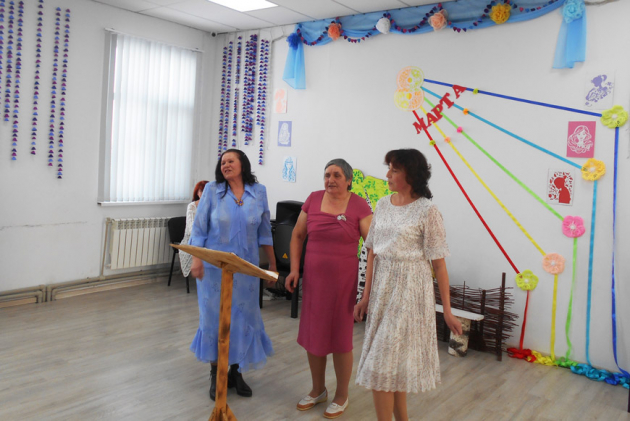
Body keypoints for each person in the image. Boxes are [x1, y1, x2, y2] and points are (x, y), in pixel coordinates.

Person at [354, 149, 462, 421]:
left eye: (394, 170)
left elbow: (439, 265)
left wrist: (447, 311)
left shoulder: (427, 210)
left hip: (411, 291)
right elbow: (372, 251)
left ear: (411, 175)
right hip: (383, 289)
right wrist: (365, 296)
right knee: (392, 364)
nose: (387, 174)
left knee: (381, 364)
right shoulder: (382, 204)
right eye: (388, 168)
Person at [286, 158, 372, 419]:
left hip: (343, 284)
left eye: (336, 175)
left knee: (340, 338)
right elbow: (297, 235)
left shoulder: (359, 205)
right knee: (315, 334)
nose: (330, 180)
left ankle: (341, 395)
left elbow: (373, 247)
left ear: (348, 180)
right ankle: (318, 389)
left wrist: (366, 292)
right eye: (327, 175)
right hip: (314, 282)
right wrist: (294, 269)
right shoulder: (313, 199)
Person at [189, 149, 277, 401]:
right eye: (222, 162)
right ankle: (215, 372)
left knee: (242, 319)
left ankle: (236, 372)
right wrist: (197, 260)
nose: (225, 165)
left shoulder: (259, 192)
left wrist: (272, 265)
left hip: (245, 271)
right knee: (214, 320)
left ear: (243, 164)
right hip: (213, 271)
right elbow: (199, 229)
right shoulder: (212, 191)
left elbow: (264, 232)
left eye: (231, 161)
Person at [179, 180, 209, 278]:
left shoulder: (213, 206)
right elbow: (191, 229)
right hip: (192, 238)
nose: (203, 193)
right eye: (201, 191)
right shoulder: (192, 206)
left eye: (206, 191)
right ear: (197, 192)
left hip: (209, 237)